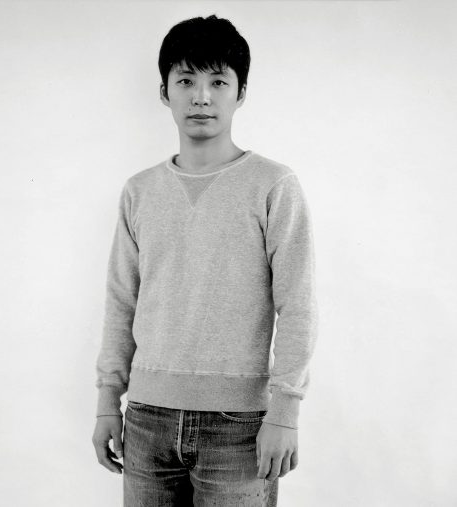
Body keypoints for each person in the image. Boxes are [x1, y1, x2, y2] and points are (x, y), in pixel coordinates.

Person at [92, 14, 318, 506]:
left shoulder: (273, 185)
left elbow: (297, 303)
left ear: (240, 93)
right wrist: (109, 399)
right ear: (164, 92)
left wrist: (285, 411)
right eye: (186, 81)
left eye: (218, 82)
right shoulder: (139, 191)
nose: (201, 97)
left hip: (239, 427)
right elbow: (121, 301)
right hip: (146, 419)